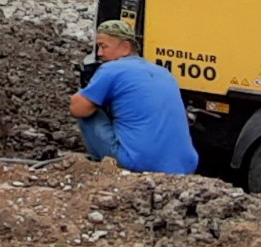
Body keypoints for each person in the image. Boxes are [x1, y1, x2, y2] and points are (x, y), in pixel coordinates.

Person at [69, 19, 198, 174]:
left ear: (125, 47)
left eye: (104, 47)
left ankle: (103, 168)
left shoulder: (112, 69)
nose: (99, 54)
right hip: (185, 166)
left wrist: (85, 92)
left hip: (139, 163)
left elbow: (78, 108)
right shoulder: (164, 73)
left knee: (89, 111)